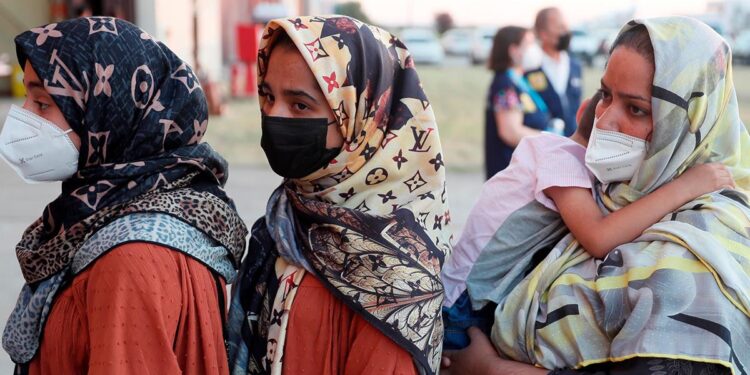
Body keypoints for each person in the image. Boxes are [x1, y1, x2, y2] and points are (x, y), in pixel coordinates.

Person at [442, 16, 750, 374]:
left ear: (688, 119)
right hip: (463, 306)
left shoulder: (702, 242)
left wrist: (495, 371)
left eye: (636, 108)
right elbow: (600, 237)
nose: (606, 120)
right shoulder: (574, 169)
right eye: (605, 95)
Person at [0, 18, 248, 374]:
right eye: (27, 97)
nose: (23, 117)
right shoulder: (118, 213)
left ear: (109, 112)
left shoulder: (128, 258)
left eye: (42, 104)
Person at [225, 16, 452, 375]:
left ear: (364, 120)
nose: (272, 115)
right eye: (268, 96)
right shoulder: (284, 218)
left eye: (299, 105)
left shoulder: (393, 278)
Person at [442, 89, 733, 349]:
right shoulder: (561, 159)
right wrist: (687, 186)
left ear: (580, 110)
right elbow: (599, 237)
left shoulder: (555, 153)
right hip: (462, 304)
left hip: (471, 298)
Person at [485, 26, 554, 179]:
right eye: (529, 44)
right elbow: (510, 132)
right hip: (511, 174)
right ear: (513, 50)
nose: (535, 49)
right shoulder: (504, 85)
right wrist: (549, 140)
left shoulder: (519, 80)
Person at [525, 7, 582, 137]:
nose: (565, 32)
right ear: (543, 33)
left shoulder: (575, 66)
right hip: (541, 146)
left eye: (565, 27)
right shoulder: (530, 68)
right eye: (559, 27)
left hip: (571, 144)